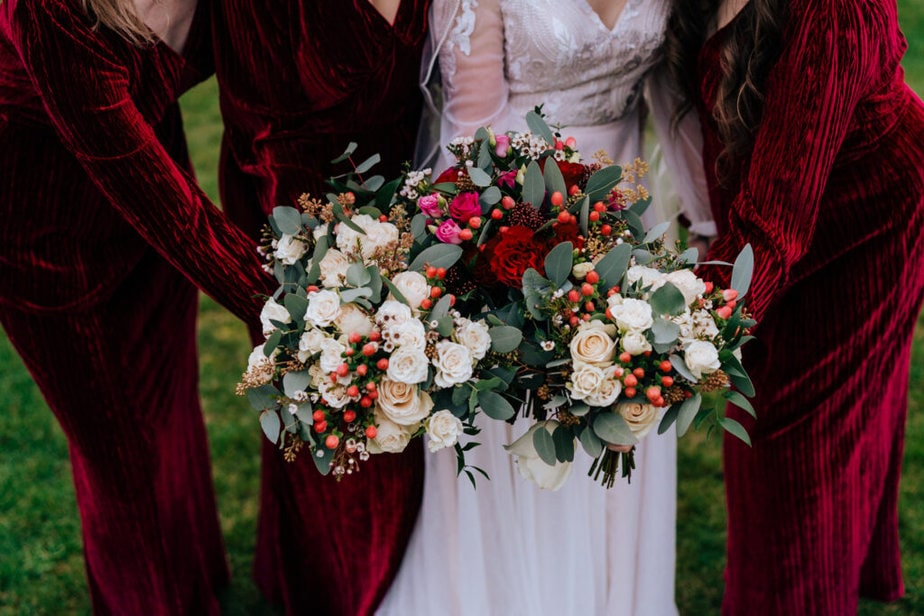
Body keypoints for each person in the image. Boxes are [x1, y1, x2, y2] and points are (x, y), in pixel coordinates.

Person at [377, 1, 686, 613]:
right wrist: (522, 270)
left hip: (625, 224)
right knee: (523, 429)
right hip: (512, 235)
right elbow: (470, 139)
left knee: (622, 411)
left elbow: (673, 98)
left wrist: (700, 223)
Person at [0, 0, 275, 613]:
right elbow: (173, 220)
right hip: (50, 243)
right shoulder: (51, 12)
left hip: (155, 182)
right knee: (122, 461)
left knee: (169, 415)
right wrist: (297, 310)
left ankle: (198, 582)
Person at [664, 0, 924, 612]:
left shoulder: (839, 10)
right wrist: (709, 234)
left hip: (868, 226)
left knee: (799, 457)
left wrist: (675, 341)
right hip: (771, 220)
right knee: (764, 435)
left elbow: (776, 223)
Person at [210, 2, 431, 614]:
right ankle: (339, 590)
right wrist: (307, 285)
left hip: (413, 205)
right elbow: (256, 119)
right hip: (301, 223)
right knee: (346, 447)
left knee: (399, 433)